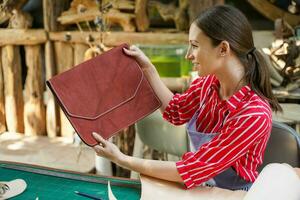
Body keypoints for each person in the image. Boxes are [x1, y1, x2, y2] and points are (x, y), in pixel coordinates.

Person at [92, 5, 282, 191]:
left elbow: (192, 169)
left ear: (223, 49)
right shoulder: (207, 84)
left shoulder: (253, 114)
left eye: (195, 46)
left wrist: (122, 159)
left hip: (233, 196)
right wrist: (149, 70)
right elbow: (175, 111)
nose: (188, 55)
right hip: (199, 189)